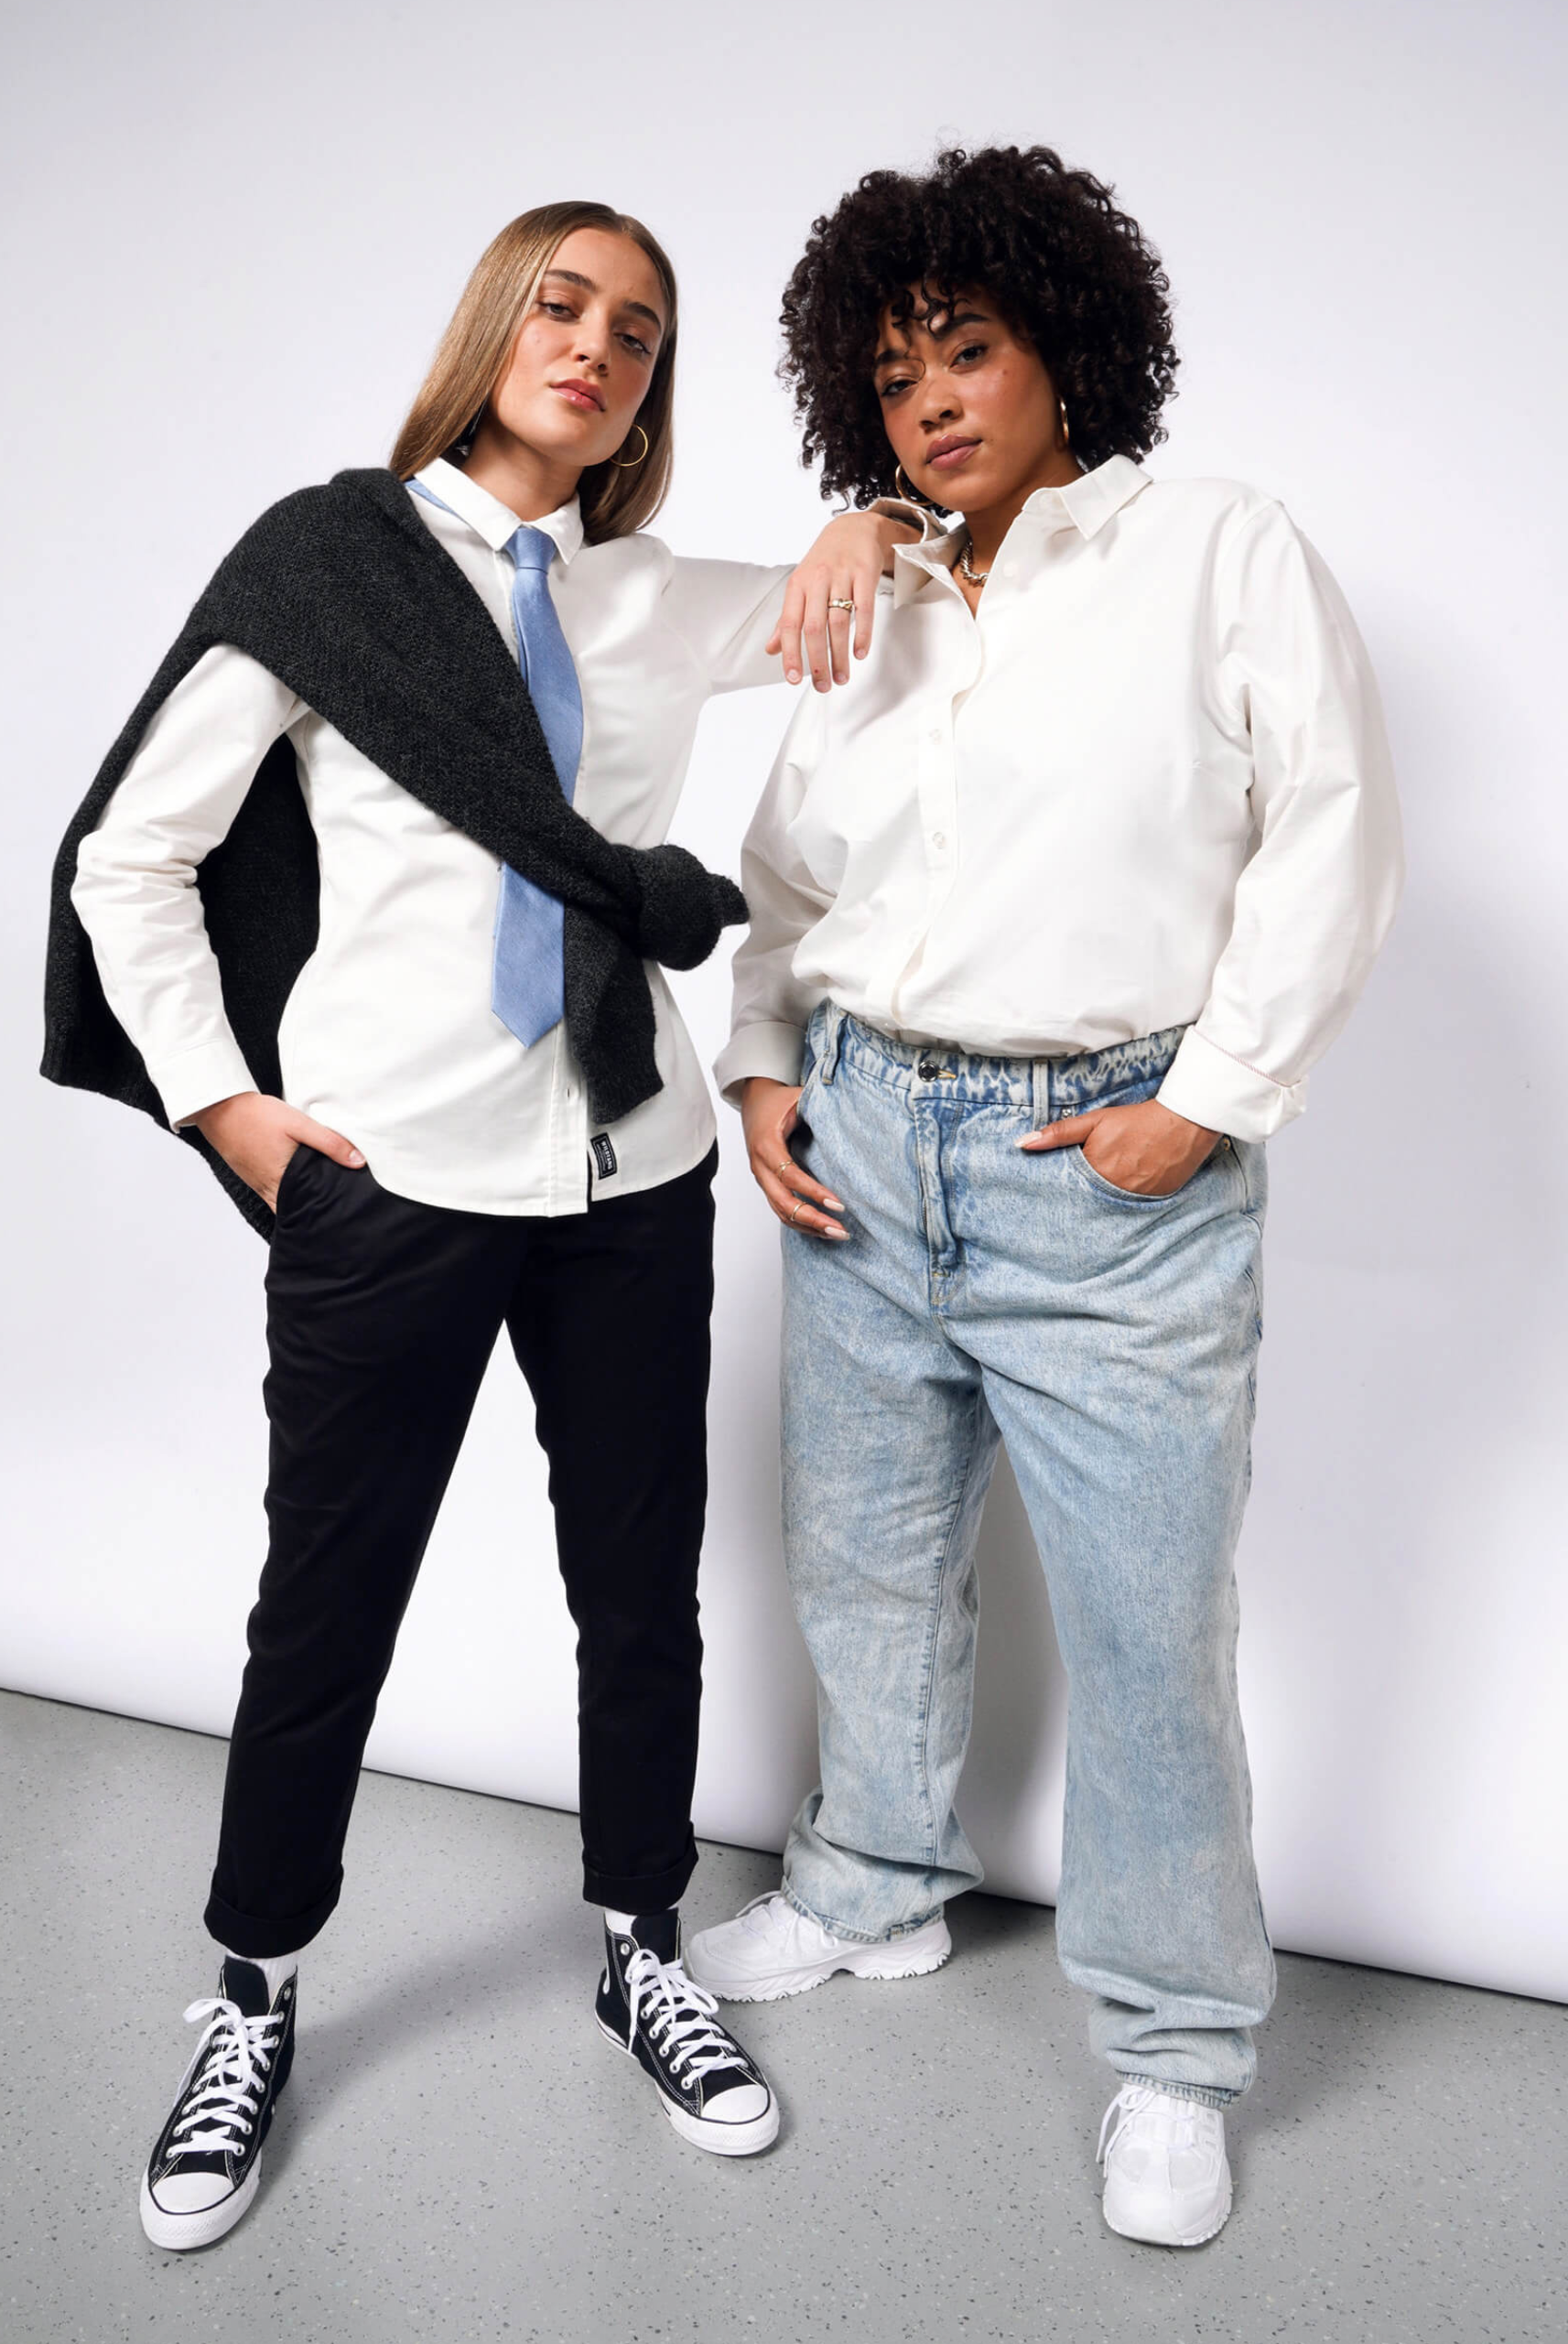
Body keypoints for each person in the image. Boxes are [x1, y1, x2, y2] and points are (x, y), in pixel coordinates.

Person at [42, 198, 922, 2248]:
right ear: (491, 325)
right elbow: (132, 855)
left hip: (635, 1161)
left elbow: (900, 599)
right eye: (562, 303)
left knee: (641, 1585)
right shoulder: (330, 565)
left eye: (638, 330)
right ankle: (252, 1989)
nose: (597, 346)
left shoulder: (651, 598)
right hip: (393, 1179)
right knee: (326, 1600)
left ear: (648, 391)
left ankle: (638, 1936)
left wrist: (872, 508)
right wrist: (231, 1108)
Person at [687, 146, 1404, 2248]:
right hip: (863, 1145)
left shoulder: (1212, 550)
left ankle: (1174, 2043)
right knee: (868, 1559)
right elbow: (784, 878)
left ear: (1060, 345)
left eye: (966, 349)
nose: (928, 399)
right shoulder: (872, 598)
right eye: (891, 371)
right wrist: (757, 1066)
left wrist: (1210, 1095)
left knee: (1145, 1622)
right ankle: (872, 1882)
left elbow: (1330, 832)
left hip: (1104, 1169)